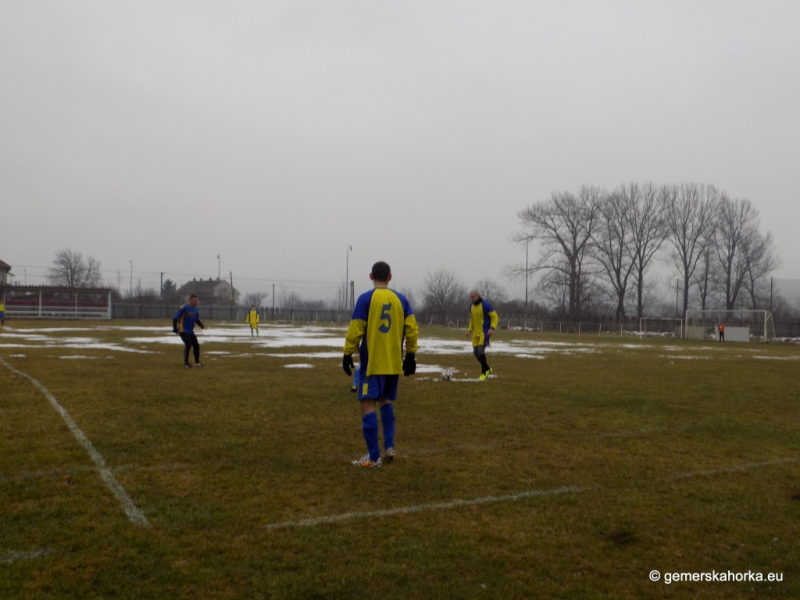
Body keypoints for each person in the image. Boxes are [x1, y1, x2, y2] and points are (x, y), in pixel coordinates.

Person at [342, 261, 418, 468]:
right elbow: (411, 328)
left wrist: (347, 352)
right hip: (393, 363)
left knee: (367, 403)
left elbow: (356, 327)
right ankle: (390, 446)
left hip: (373, 362)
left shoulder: (366, 298)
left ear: (370, 276)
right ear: (390, 277)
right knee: (385, 400)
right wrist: (411, 354)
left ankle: (374, 457)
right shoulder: (401, 299)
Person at [466, 289, 498, 380]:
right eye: (470, 297)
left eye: (473, 297)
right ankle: (488, 368)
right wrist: (469, 330)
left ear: (477, 296)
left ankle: (484, 372)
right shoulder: (471, 307)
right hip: (476, 333)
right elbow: (472, 320)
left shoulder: (485, 305)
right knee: (475, 352)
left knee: (480, 351)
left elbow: (495, 316)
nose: (471, 299)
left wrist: (492, 328)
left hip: (484, 333)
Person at [173, 294, 205, 368]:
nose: (196, 302)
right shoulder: (184, 308)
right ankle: (186, 363)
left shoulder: (195, 309)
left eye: (197, 300)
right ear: (190, 300)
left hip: (190, 331)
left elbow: (196, 319)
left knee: (196, 345)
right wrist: (174, 328)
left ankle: (197, 362)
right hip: (183, 329)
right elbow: (175, 318)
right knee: (188, 344)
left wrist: (201, 325)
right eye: (194, 300)